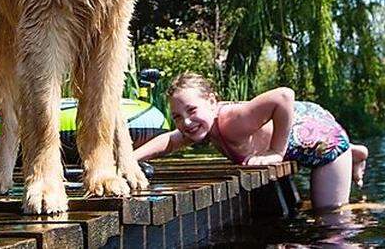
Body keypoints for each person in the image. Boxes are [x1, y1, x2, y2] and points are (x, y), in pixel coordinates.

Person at [133, 72, 369, 211]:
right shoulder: (201, 126)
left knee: (328, 216)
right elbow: (170, 142)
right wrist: (129, 159)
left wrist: (276, 151)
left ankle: (347, 153)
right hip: (306, 126)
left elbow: (284, 95)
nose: (185, 122)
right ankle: (355, 153)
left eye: (191, 110)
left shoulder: (231, 122)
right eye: (177, 116)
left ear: (213, 102)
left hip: (325, 145)